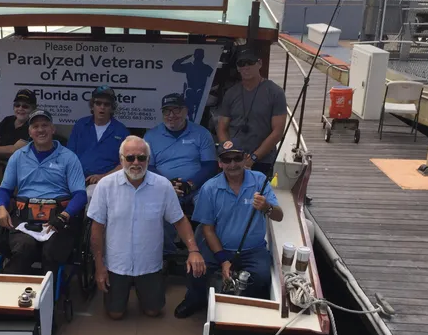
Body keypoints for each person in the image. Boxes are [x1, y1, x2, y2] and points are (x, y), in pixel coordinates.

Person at [88, 137, 206, 320]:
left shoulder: (163, 185)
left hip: (149, 263)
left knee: (154, 312)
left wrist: (193, 249)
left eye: (141, 158)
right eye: (130, 158)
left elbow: (180, 220)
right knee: (115, 314)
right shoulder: (105, 186)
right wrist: (99, 266)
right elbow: (96, 228)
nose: (136, 163)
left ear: (148, 160)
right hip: (116, 264)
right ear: (121, 160)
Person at [175, 140, 283, 318]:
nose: (232, 164)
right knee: (195, 270)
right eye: (227, 160)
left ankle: (243, 305)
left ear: (245, 159)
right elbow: (207, 229)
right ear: (220, 163)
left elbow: (279, 216)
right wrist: (223, 260)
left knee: (262, 277)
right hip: (218, 247)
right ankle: (195, 298)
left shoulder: (260, 181)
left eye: (237, 158)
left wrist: (266, 206)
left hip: (253, 249)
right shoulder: (209, 188)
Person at [0, 109, 87, 275]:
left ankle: (48, 297)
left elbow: (80, 195)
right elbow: (5, 189)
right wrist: (1, 207)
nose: (40, 130)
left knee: (51, 252)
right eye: (35, 126)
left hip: (58, 218)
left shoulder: (69, 157)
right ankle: (12, 293)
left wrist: (64, 216)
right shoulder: (18, 157)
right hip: (25, 219)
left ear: (53, 129)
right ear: (29, 131)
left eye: (45, 125)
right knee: (23, 248)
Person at [144, 93, 217, 255]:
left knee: (209, 208)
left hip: (197, 188)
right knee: (156, 209)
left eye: (176, 110)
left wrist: (191, 183)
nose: (171, 115)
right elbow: (148, 167)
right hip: (164, 186)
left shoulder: (201, 133)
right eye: (166, 111)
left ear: (185, 111)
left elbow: (210, 165)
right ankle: (167, 254)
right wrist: (167, 184)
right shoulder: (151, 136)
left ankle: (200, 252)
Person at [217, 46, 287, 178]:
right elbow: (222, 128)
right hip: (234, 162)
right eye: (241, 64)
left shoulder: (275, 92)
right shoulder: (231, 93)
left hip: (263, 161)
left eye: (250, 62)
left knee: (258, 198)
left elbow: (277, 132)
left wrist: (253, 158)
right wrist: (231, 154)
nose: (246, 67)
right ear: (237, 67)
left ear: (259, 63)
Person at [67, 85, 130, 196]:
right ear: (92, 106)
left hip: (108, 182)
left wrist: (103, 177)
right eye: (98, 103)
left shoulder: (121, 130)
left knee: (91, 196)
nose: (102, 107)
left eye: (106, 104)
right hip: (78, 180)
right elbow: (69, 156)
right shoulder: (80, 125)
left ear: (112, 108)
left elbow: (125, 163)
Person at [171, 49, 215, 122]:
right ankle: (191, 119)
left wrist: (185, 58)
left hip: (201, 93)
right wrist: (184, 58)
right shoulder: (190, 66)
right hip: (191, 92)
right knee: (189, 95)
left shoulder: (206, 68)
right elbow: (174, 67)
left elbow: (214, 77)